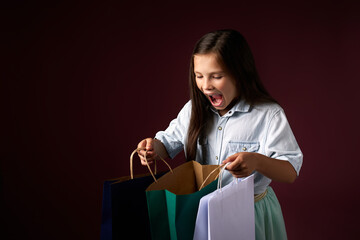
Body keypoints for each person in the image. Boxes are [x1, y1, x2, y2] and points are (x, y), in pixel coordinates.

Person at [136, 29, 303, 240]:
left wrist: (257, 161)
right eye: (199, 76)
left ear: (240, 73)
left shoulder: (268, 114)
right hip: (200, 212)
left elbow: (290, 171)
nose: (205, 86)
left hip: (249, 215)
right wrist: (152, 149)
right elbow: (167, 143)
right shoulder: (193, 110)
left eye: (216, 76)